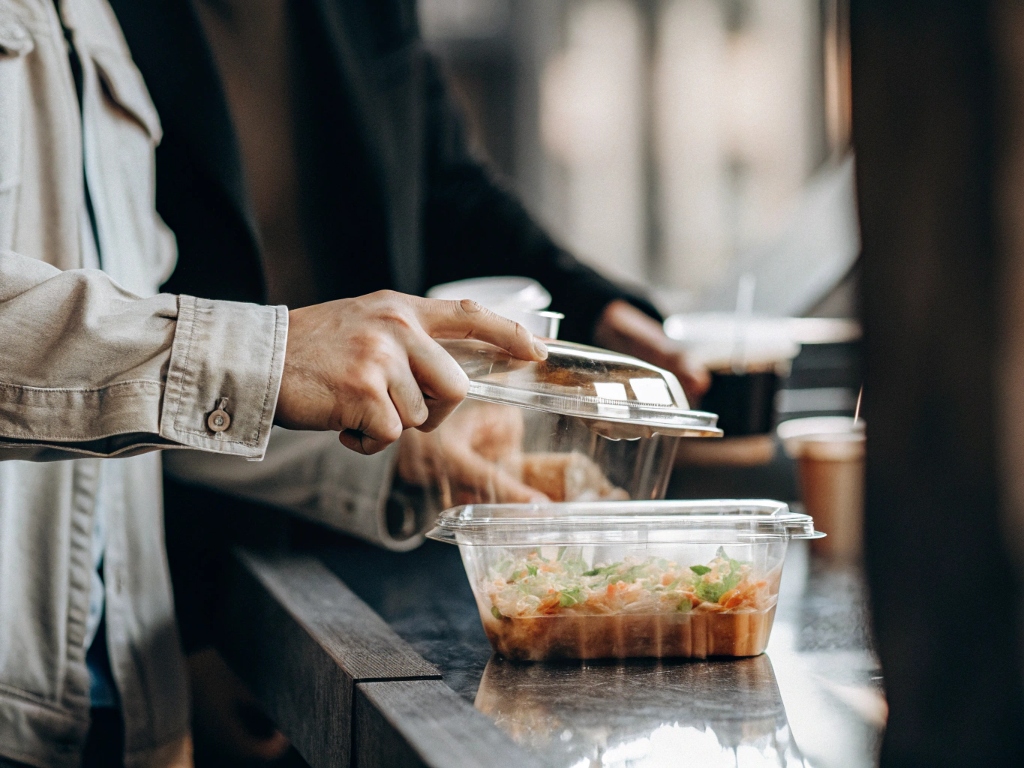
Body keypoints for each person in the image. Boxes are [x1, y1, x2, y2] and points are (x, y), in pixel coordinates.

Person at [101, 1, 710, 759]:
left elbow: (445, 180)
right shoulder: (89, 20)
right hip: (184, 523)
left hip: (374, 492)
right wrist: (201, 624)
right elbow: (97, 336)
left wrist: (593, 303)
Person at [0, 1, 547, 765]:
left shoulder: (86, 17)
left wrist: (404, 454)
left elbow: (109, 395)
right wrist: (270, 354)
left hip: (118, 712)